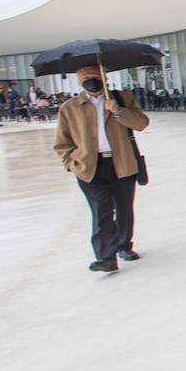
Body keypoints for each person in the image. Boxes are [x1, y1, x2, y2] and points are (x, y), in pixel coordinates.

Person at [53, 65, 150, 272]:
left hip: (121, 162)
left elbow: (142, 123)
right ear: (79, 81)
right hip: (90, 167)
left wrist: (118, 111)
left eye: (95, 76)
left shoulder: (122, 98)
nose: (91, 79)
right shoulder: (69, 108)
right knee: (101, 210)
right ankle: (106, 257)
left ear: (105, 79)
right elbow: (62, 142)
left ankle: (123, 245)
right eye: (86, 77)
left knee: (124, 208)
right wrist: (72, 163)